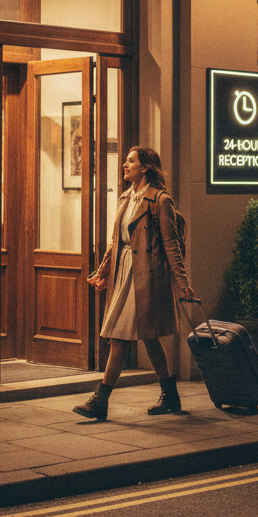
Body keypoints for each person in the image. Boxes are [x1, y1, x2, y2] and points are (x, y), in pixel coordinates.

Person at [74, 146, 193, 420]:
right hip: (123, 271)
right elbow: (116, 242)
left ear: (146, 167)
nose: (125, 165)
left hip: (145, 276)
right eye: (126, 161)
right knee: (149, 338)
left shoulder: (160, 201)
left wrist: (182, 283)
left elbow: (172, 246)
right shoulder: (126, 198)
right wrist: (103, 270)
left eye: (131, 161)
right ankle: (170, 395)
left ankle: (100, 399)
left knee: (119, 336)